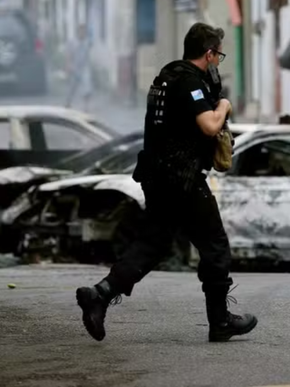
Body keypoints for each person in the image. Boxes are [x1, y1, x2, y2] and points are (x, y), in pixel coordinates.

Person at [75, 22, 258, 343]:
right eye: (218, 56)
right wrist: (225, 105)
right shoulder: (189, 82)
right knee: (215, 246)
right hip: (182, 179)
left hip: (156, 175)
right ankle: (220, 321)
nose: (218, 63)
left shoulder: (165, 77)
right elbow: (209, 125)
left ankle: (99, 295)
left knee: (153, 243)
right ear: (209, 53)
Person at [65, 24, 93, 111]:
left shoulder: (87, 42)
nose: (82, 33)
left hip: (84, 67)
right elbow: (68, 55)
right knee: (72, 87)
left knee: (87, 86)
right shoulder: (72, 42)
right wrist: (68, 65)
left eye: (84, 31)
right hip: (74, 66)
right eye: (81, 31)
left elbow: (88, 53)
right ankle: (68, 103)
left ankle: (86, 106)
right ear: (77, 32)